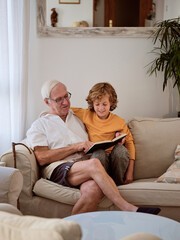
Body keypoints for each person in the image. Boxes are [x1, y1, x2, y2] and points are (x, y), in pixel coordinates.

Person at [26, 79, 160, 215]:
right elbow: (42, 158)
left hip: (83, 168)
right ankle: (128, 208)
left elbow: (100, 129)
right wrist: (75, 147)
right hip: (59, 167)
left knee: (94, 189)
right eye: (59, 99)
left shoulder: (77, 117)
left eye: (66, 96)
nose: (65, 102)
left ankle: (71, 231)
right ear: (47, 102)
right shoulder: (40, 124)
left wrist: (117, 137)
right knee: (95, 163)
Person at [72, 82, 134, 185]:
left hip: (116, 162)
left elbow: (130, 144)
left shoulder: (119, 121)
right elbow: (65, 110)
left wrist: (130, 173)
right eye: (97, 104)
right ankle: (102, 184)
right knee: (99, 153)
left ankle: (116, 184)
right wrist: (46, 113)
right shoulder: (86, 114)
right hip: (98, 161)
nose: (101, 108)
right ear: (92, 104)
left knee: (121, 151)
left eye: (104, 104)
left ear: (111, 103)